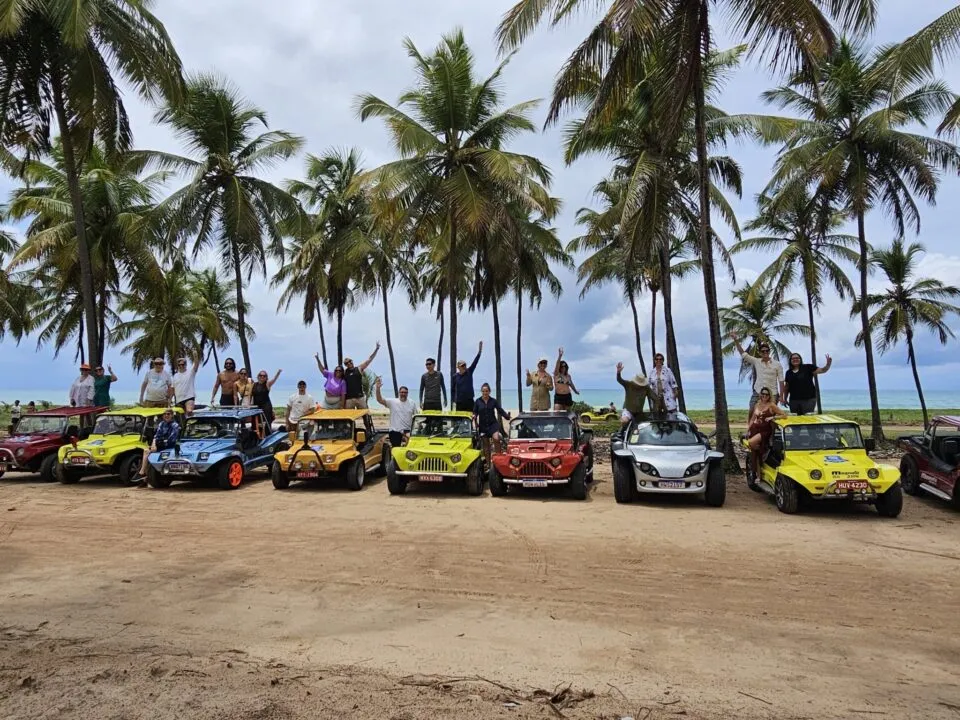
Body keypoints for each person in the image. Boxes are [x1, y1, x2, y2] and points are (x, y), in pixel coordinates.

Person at [731, 334, 785, 414]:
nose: (765, 352)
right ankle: (750, 426)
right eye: (763, 351)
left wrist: (781, 396)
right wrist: (736, 340)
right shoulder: (757, 361)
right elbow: (743, 354)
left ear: (769, 351)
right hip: (758, 392)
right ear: (760, 353)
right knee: (752, 410)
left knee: (771, 414)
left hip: (772, 393)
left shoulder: (777, 364)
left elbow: (781, 381)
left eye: (767, 350)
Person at [746, 387, 786, 482]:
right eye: (763, 394)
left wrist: (773, 417)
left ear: (769, 396)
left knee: (751, 443)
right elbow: (752, 419)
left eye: (766, 394)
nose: (764, 396)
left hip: (765, 431)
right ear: (760, 395)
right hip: (755, 429)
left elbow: (784, 415)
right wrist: (748, 430)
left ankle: (761, 453)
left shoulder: (772, 405)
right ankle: (758, 476)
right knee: (756, 453)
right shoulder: (757, 404)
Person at [135, 407, 181, 483]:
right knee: (146, 451)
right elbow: (156, 436)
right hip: (159, 444)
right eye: (165, 414)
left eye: (168, 414)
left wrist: (158, 444)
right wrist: (154, 445)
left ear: (172, 415)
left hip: (170, 446)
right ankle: (144, 475)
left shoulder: (175, 425)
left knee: (147, 452)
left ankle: (142, 473)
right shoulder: (162, 424)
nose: (166, 416)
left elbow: (172, 439)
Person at [473, 383, 511, 465]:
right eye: (483, 391)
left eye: (486, 391)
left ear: (489, 392)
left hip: (493, 425)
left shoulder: (493, 401)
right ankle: (488, 465)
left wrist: (507, 416)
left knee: (496, 438)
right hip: (483, 426)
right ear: (481, 392)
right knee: (486, 446)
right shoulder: (478, 401)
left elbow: (500, 410)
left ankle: (499, 461)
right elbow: (475, 412)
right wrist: (474, 418)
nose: (485, 393)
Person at [375, 378, 417, 447]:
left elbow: (416, 416)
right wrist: (377, 388)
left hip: (407, 430)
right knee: (396, 449)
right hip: (395, 430)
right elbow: (380, 400)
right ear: (399, 393)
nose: (403, 394)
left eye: (405, 392)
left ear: (407, 393)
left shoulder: (412, 403)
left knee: (410, 448)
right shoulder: (392, 402)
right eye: (402, 392)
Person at [615, 362, 654, 430]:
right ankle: (621, 432)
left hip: (639, 412)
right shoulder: (629, 384)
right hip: (628, 410)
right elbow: (620, 380)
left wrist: (656, 409)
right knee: (624, 421)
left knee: (646, 426)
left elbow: (654, 397)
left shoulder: (646, 388)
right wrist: (618, 372)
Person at [343, 342, 380, 410]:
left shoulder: (359, 369)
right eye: (346, 363)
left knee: (365, 415)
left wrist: (376, 349)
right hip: (349, 399)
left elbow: (369, 359)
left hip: (360, 398)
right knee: (348, 417)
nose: (349, 363)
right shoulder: (344, 372)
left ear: (352, 361)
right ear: (345, 365)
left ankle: (366, 421)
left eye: (350, 361)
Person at [451, 341, 483, 411]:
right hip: (459, 402)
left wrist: (479, 351)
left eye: (464, 365)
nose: (464, 366)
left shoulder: (469, 371)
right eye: (462, 365)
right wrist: (453, 400)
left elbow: (475, 362)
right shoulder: (455, 376)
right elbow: (453, 390)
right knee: (459, 420)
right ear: (458, 367)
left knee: (470, 419)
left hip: (469, 401)